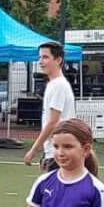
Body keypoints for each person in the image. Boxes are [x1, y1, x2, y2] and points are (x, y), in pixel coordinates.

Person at [22, 41, 76, 169]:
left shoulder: (58, 85)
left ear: (58, 60)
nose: (40, 61)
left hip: (58, 153)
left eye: (45, 57)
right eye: (40, 57)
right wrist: (46, 153)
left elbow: (53, 122)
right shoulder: (54, 84)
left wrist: (34, 150)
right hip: (54, 152)